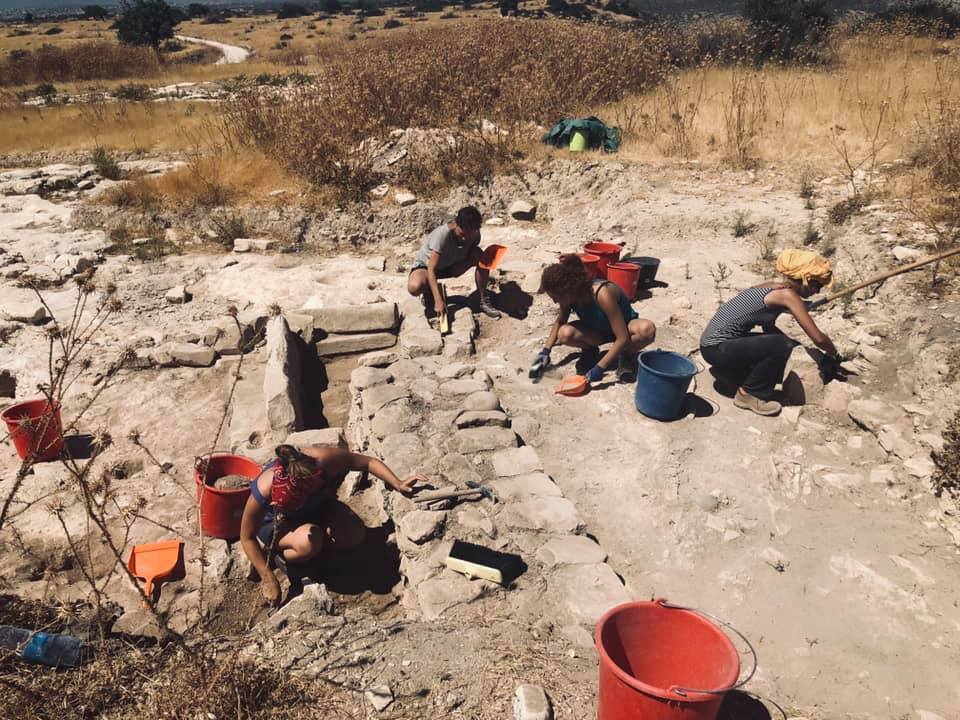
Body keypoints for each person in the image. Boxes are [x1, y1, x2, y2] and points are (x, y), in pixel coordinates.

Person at [240, 444, 425, 606]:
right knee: (309, 541)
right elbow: (246, 537)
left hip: (319, 508)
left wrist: (397, 483)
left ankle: (322, 554)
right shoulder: (265, 488)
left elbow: (368, 462)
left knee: (354, 533)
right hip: (279, 524)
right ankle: (282, 558)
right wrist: (268, 578)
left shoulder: (324, 461)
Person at [699, 249, 841, 417]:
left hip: (710, 345)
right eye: (816, 285)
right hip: (717, 349)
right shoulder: (787, 295)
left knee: (780, 343)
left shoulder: (770, 286)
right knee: (782, 344)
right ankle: (750, 395)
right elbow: (818, 338)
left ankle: (731, 373)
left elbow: (767, 327)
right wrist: (834, 354)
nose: (817, 292)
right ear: (805, 279)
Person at [536, 254, 656, 384]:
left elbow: (622, 337)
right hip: (598, 332)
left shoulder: (602, 293)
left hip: (624, 329)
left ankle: (625, 355)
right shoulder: (569, 297)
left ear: (567, 290)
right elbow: (560, 321)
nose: (555, 301)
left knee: (646, 330)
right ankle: (590, 351)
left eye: (556, 297)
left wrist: (599, 368)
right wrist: (545, 351)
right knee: (564, 333)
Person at [407, 206, 501, 319]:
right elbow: (431, 269)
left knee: (481, 256)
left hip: (450, 266)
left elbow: (474, 253)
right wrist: (438, 301)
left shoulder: (475, 234)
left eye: (470, 234)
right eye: (462, 234)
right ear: (456, 224)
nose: (466, 238)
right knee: (414, 287)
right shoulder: (442, 236)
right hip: (426, 268)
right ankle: (429, 293)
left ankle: (483, 300)